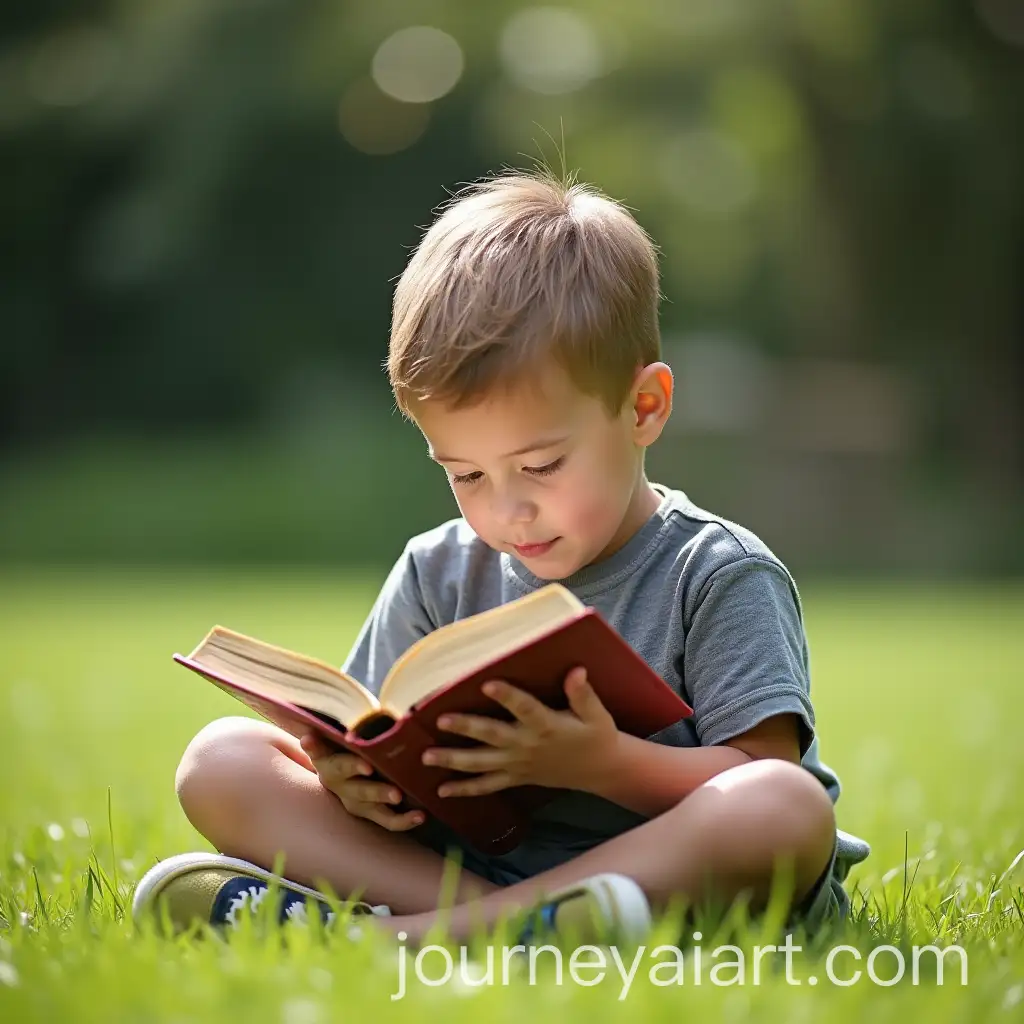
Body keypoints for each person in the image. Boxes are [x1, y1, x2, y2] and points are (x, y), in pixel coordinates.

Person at [132, 170, 870, 946]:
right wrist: (351, 783)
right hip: (464, 868)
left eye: (543, 466)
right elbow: (375, 739)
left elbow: (761, 772)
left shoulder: (715, 572)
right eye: (466, 475)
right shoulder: (435, 570)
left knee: (782, 809)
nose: (506, 510)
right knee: (222, 760)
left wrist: (603, 764)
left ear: (643, 407)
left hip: (667, 872)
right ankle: (513, 927)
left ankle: (392, 937)